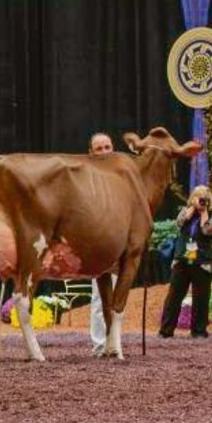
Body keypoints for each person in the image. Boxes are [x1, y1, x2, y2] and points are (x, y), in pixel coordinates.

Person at [159, 185, 212, 339]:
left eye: (204, 198)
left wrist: (204, 213)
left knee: (201, 297)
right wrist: (192, 209)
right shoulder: (186, 211)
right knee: (174, 296)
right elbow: (179, 223)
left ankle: (198, 331)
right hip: (182, 259)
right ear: (192, 198)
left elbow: (208, 231)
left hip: (202, 261)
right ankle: (166, 331)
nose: (201, 200)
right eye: (198, 197)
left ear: (209, 200)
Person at [86, 132, 116, 353]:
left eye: (107, 147)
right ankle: (99, 344)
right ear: (91, 153)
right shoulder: (88, 178)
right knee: (99, 295)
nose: (104, 151)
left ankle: (114, 342)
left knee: (117, 294)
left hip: (117, 243)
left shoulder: (121, 176)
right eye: (99, 148)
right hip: (97, 242)